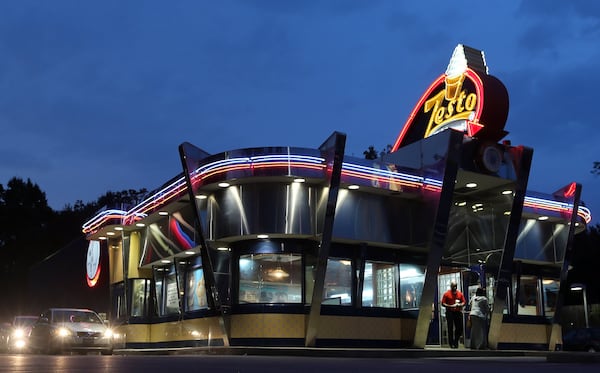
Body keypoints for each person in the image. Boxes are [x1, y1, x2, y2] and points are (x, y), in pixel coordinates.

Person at [441, 280, 466, 348]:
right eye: (453, 286)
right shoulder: (446, 294)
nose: (454, 288)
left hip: (458, 312)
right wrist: (450, 306)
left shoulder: (460, 294)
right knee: (450, 327)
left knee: (460, 327)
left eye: (455, 286)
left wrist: (460, 304)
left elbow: (464, 302)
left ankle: (456, 341)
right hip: (450, 312)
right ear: (451, 286)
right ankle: (451, 343)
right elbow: (443, 303)